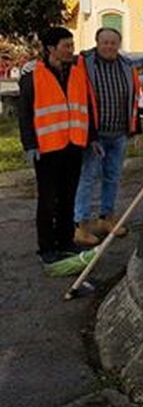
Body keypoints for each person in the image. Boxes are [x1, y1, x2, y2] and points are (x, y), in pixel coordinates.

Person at [18, 27, 90, 264]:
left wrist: (91, 138)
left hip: (73, 145)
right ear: (51, 48)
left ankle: (66, 241)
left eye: (72, 45)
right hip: (46, 149)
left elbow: (86, 106)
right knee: (48, 201)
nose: (71, 50)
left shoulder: (77, 74)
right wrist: (30, 144)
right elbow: (25, 114)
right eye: (66, 46)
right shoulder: (32, 77)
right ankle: (47, 248)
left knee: (68, 198)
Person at [73, 28, 142, 246]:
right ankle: (81, 225)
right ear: (97, 42)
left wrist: (135, 129)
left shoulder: (126, 66)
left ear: (119, 44)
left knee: (113, 177)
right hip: (95, 135)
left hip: (119, 133)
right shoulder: (84, 64)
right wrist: (89, 134)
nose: (109, 46)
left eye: (113, 43)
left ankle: (106, 217)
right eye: (105, 42)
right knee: (88, 178)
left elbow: (133, 98)